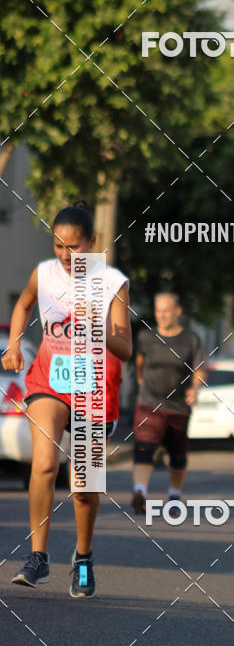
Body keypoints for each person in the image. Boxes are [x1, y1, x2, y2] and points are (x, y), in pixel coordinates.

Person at [1, 201, 132, 597]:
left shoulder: (112, 282)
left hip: (93, 383)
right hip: (49, 379)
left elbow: (124, 346)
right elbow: (23, 304)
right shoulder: (44, 273)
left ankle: (84, 556)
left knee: (84, 485)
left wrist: (99, 329)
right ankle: (38, 557)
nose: (65, 254)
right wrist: (14, 344)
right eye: (58, 245)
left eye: (74, 247)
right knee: (43, 463)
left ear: (92, 243)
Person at [131, 293, 205, 513]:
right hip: (149, 403)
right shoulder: (146, 337)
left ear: (177, 311)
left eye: (166, 310)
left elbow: (199, 369)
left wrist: (196, 388)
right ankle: (140, 492)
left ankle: (174, 496)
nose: (162, 315)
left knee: (178, 453)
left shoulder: (191, 339)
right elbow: (140, 365)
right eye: (158, 311)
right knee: (144, 447)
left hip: (178, 406)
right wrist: (144, 385)